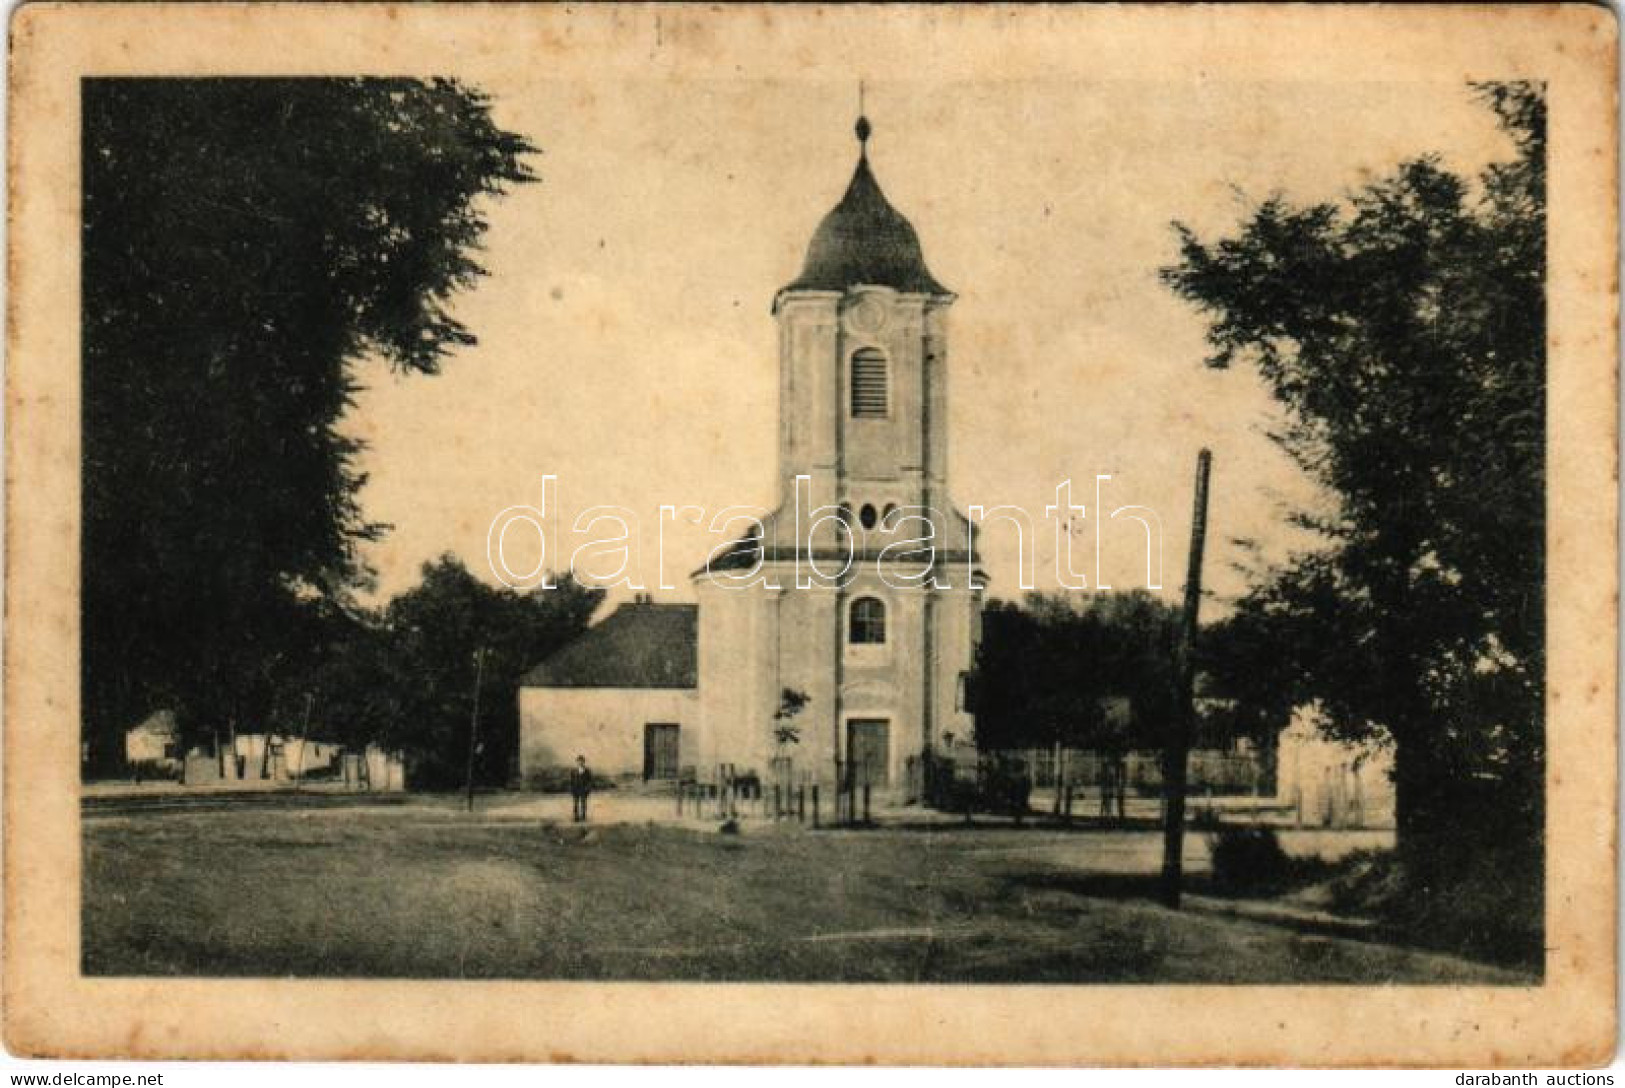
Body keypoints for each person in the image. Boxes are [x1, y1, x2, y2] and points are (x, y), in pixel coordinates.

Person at [569, 755, 593, 822]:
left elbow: (590, 781)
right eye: (579, 761)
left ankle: (583, 817)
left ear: (584, 762)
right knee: (576, 804)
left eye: (582, 761)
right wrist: (572, 789)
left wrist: (587, 789)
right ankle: (576, 817)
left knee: (583, 803)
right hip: (576, 789)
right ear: (577, 762)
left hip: (584, 789)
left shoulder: (587, 771)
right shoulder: (573, 771)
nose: (580, 762)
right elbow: (571, 781)